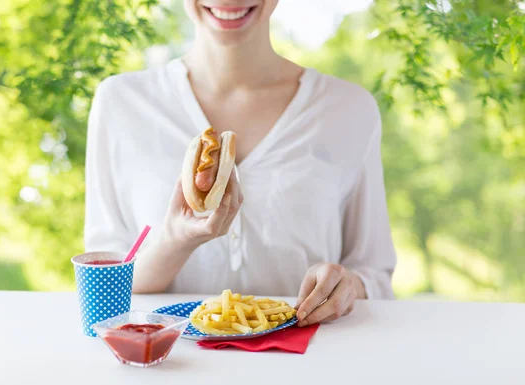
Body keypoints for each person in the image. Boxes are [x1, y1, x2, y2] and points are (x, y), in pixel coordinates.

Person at [84, 0, 397, 327]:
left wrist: (346, 285)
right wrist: (175, 241)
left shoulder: (348, 108)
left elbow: (374, 275)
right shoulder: (120, 104)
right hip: (170, 369)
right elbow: (104, 288)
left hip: (309, 364)